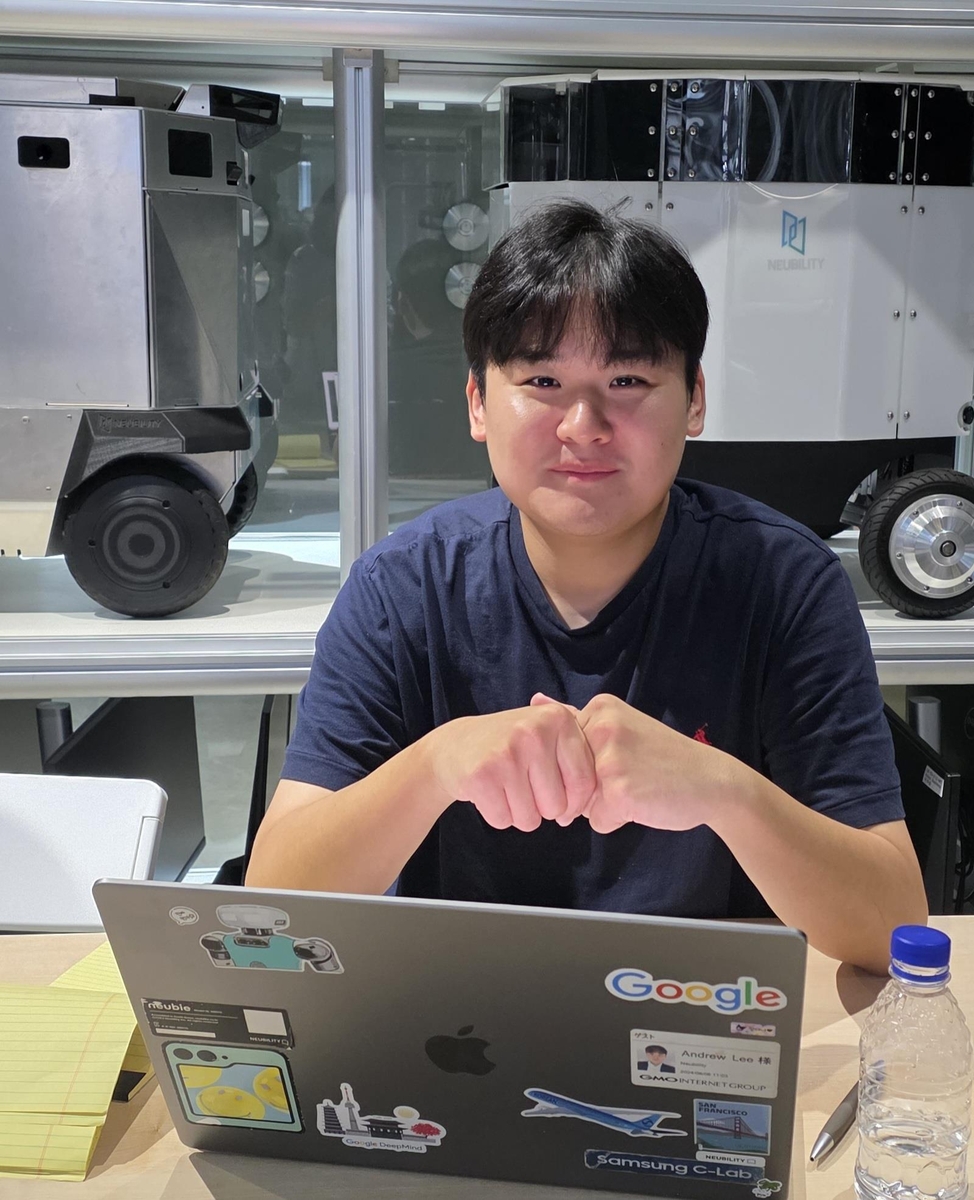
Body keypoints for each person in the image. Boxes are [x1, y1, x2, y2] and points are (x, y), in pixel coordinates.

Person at [246, 198, 927, 974]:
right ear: (477, 402)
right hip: (451, 1021)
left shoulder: (783, 582)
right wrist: (436, 765)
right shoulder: (402, 587)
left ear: (694, 399)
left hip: (697, 1023)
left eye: (628, 378)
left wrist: (724, 792)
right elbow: (275, 909)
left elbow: (889, 925)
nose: (582, 425)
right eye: (541, 379)